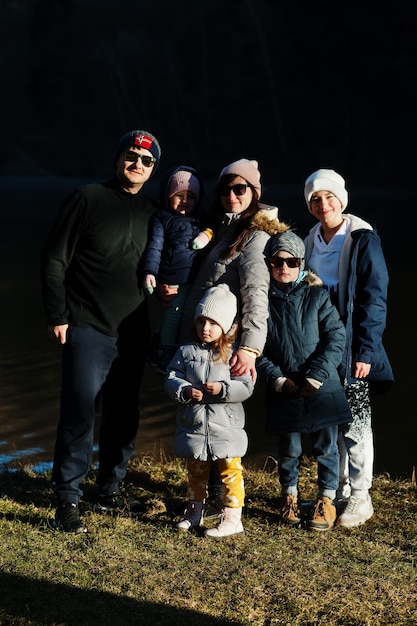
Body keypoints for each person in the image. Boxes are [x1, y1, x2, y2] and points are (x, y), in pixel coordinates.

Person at [40, 129, 161, 533]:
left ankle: (109, 489)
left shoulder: (152, 212)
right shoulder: (87, 198)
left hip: (133, 331)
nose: (138, 164)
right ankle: (66, 500)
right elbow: (55, 259)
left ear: (152, 170)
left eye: (146, 161)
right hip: (87, 324)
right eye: (131, 156)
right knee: (79, 412)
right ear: (117, 159)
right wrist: (58, 315)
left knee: (124, 414)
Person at [178, 158, 290, 517]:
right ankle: (206, 499)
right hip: (204, 339)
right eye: (225, 189)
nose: (231, 195)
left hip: (226, 346)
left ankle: (226, 505)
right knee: (202, 416)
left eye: (240, 189)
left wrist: (251, 347)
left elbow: (256, 294)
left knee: (221, 421)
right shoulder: (226, 228)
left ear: (254, 193)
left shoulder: (255, 237)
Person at [303, 168, 394, 528]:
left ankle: (361, 497)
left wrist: (366, 352)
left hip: (353, 344)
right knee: (330, 421)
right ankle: (337, 490)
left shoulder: (362, 238)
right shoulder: (309, 240)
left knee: (356, 423)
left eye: (328, 197)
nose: (323, 205)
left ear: (341, 199)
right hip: (320, 344)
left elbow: (375, 298)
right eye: (314, 199)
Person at [256, 231, 352, 531]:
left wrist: (316, 376)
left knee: (327, 447)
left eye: (292, 261)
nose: (284, 267)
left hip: (322, 389)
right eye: (276, 261)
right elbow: (255, 349)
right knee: (290, 449)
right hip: (285, 388)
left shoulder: (317, 296)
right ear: (268, 264)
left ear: (301, 264)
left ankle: (326, 500)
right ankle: (290, 497)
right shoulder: (261, 303)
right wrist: (277, 380)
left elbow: (336, 338)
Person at [164, 283, 254, 537]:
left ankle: (233, 517)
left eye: (213, 324)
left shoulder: (234, 355)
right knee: (195, 472)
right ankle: (194, 512)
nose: (206, 329)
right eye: (201, 322)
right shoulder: (186, 351)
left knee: (230, 471)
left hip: (225, 427)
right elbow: (171, 377)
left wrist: (224, 389)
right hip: (194, 425)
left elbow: (246, 386)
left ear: (225, 326)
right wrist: (183, 390)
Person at [140, 165, 213, 374]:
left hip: (196, 277)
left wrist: (205, 235)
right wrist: (150, 273)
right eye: (179, 195)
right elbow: (155, 247)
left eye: (190, 196)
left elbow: (213, 229)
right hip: (172, 277)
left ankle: (159, 344)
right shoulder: (162, 218)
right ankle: (165, 350)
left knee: (182, 314)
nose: (185, 200)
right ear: (168, 195)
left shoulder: (201, 217)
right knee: (175, 311)